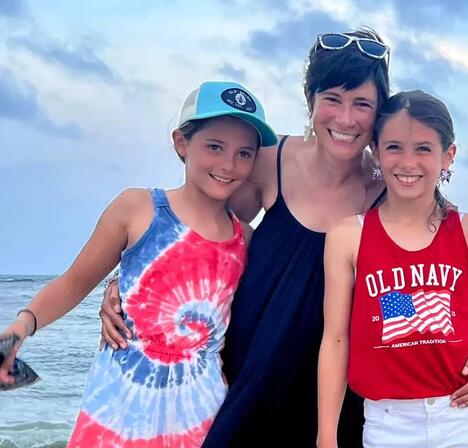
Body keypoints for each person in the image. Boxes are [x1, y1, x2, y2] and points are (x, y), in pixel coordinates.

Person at [100, 29, 468, 447]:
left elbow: (433, 282)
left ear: (378, 112)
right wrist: (128, 283)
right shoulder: (269, 164)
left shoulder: (393, 193)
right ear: (310, 101)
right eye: (331, 99)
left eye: (362, 104)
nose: (345, 119)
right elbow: (204, 241)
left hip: (344, 400)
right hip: (254, 375)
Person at [0, 81, 278, 447]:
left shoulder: (246, 239)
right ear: (181, 143)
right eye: (214, 147)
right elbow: (72, 283)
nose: (229, 164)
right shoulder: (137, 209)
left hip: (200, 412)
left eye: (244, 153)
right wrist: (22, 326)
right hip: (119, 406)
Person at [317, 90, 468, 448]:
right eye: (394, 147)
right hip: (387, 424)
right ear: (376, 152)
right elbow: (336, 340)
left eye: (424, 149)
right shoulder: (348, 237)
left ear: (448, 156)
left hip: (465, 418)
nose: (407, 162)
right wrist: (326, 436)